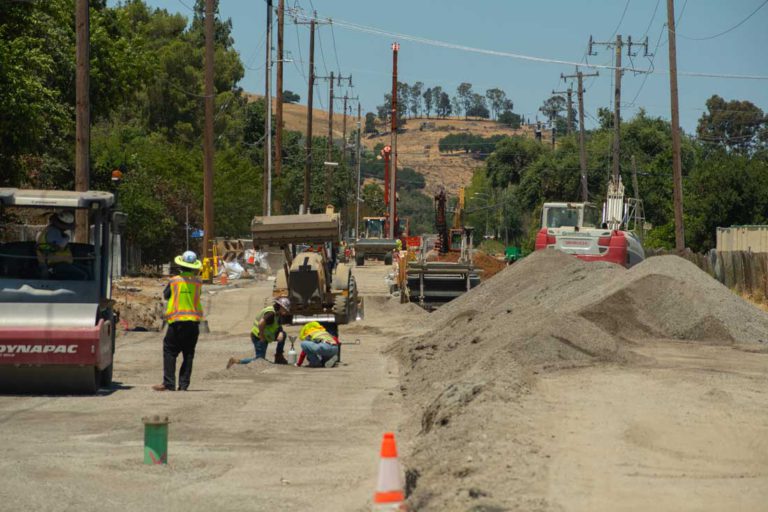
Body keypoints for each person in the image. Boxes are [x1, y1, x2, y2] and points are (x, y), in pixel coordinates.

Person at [153, 251, 204, 391]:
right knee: (188, 354)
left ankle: (169, 383)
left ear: (181, 265)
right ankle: (184, 385)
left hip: (177, 322)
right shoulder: (198, 282)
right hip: (193, 323)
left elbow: (166, 295)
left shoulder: (174, 281)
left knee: (170, 351)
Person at [227, 296, 291, 368]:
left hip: (267, 335)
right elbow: (261, 324)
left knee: (283, 334)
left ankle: (279, 356)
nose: (286, 312)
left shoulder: (279, 313)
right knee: (260, 359)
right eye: (285, 309)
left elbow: (277, 325)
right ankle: (236, 361)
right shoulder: (271, 314)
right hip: (258, 336)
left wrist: (281, 332)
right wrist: (262, 337)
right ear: (280, 306)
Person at [36, 210, 87, 280]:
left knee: (85, 269)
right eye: (67, 226)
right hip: (54, 264)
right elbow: (61, 245)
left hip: (56, 262)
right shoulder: (54, 231)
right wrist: (67, 237)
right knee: (83, 276)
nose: (67, 228)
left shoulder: (51, 230)